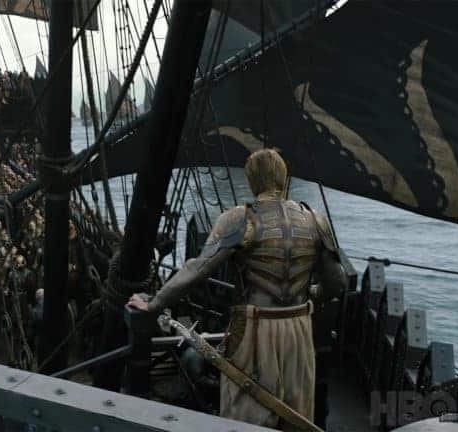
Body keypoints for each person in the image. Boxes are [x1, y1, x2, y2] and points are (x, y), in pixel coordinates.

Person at [128, 149, 348, 430]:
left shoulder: (240, 219)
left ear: (251, 181)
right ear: (284, 178)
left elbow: (197, 269)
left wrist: (153, 304)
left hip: (255, 329)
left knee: (247, 412)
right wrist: (312, 295)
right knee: (296, 413)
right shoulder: (314, 219)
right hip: (299, 328)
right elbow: (337, 282)